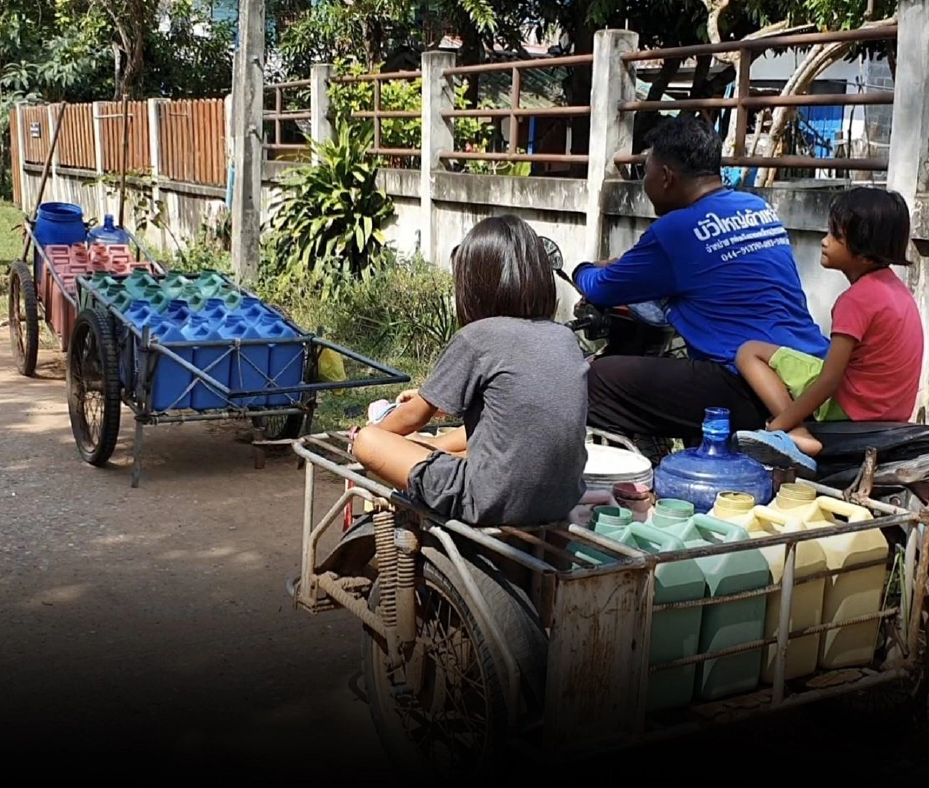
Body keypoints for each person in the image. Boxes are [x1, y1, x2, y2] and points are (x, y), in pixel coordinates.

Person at [566, 116, 830, 464]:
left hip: (745, 383)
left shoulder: (675, 230)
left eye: (646, 172)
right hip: (805, 367)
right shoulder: (756, 208)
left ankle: (646, 463)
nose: (645, 181)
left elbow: (601, 288)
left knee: (591, 381)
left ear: (665, 176)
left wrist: (584, 268)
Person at [351, 215, 589, 526]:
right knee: (467, 443)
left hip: (489, 500)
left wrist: (371, 431)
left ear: (473, 284)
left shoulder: (477, 337)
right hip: (562, 497)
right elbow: (514, 426)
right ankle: (426, 449)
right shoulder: (564, 337)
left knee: (368, 442)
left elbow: (413, 417)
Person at [732, 187, 924, 473]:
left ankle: (797, 433)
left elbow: (829, 380)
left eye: (835, 236)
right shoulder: (897, 291)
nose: (824, 241)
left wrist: (778, 426)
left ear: (864, 251)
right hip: (891, 410)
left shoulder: (856, 300)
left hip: (851, 410)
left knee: (749, 352)